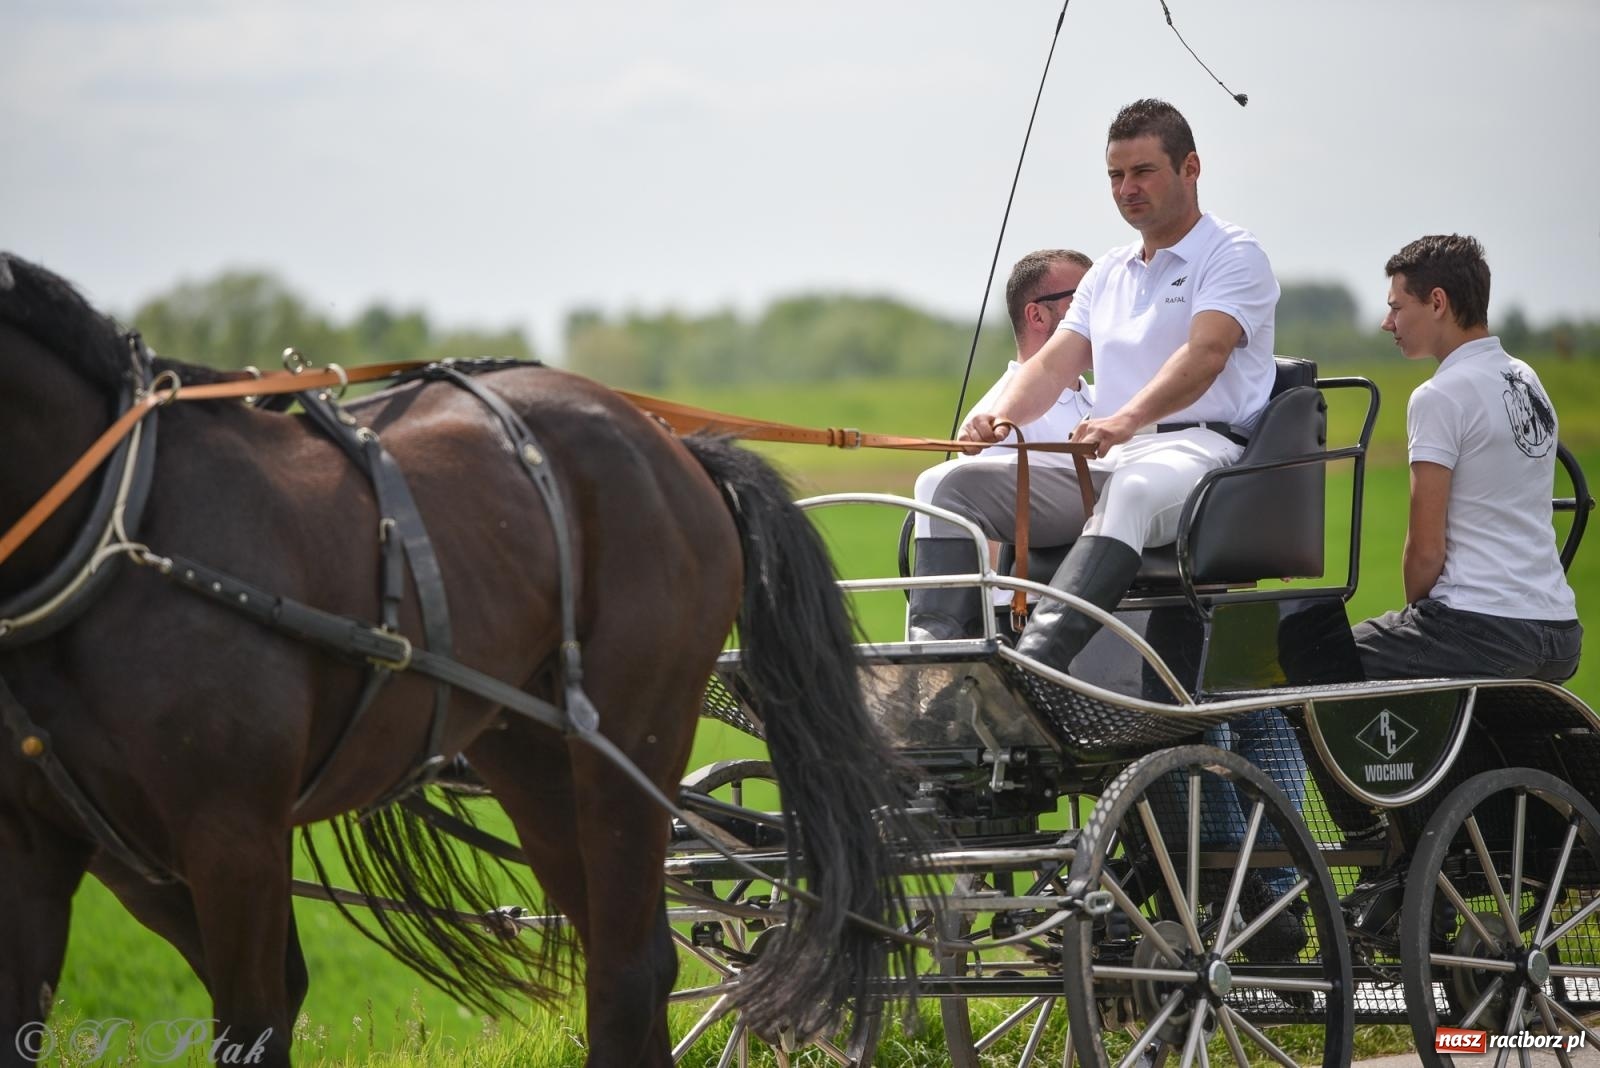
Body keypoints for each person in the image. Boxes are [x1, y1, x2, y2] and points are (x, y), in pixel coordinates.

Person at [914, 98, 1279, 671]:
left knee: (1130, 490)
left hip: (1200, 454)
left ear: (1191, 168)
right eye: (1115, 175)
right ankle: (935, 664)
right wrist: (999, 418)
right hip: (1113, 461)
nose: (1127, 188)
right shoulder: (1107, 271)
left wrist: (1125, 419)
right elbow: (1053, 366)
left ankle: (1035, 669)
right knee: (943, 483)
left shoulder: (1231, 253)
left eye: (1143, 171)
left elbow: (1205, 355)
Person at [1352, 234, 1582, 681]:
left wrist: (1417, 618)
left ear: (1437, 302)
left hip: (1480, 629)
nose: (1387, 322)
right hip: (1558, 631)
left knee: (1315, 656)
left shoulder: (1439, 395)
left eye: (1397, 307)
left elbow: (1425, 551)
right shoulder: (1525, 377)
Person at [907, 248, 1094, 639]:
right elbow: (988, 570)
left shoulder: (1100, 399)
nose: (1102, 313)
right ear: (1037, 315)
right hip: (1033, 621)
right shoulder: (996, 419)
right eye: (1083, 301)